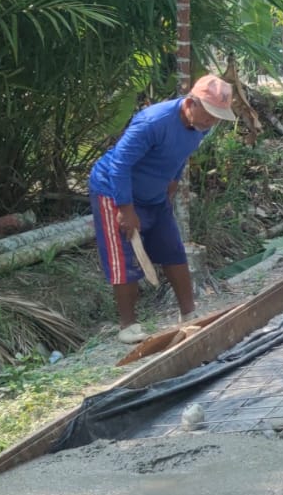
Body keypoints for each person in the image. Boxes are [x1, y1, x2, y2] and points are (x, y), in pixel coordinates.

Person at [88, 75, 237, 343]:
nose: (211, 122)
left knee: (173, 249)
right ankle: (127, 325)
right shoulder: (153, 122)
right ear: (191, 103)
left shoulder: (203, 125)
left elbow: (180, 155)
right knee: (123, 256)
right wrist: (125, 208)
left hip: (155, 194)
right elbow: (119, 165)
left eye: (217, 117)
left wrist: (172, 185)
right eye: (209, 115)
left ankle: (189, 313)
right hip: (114, 191)